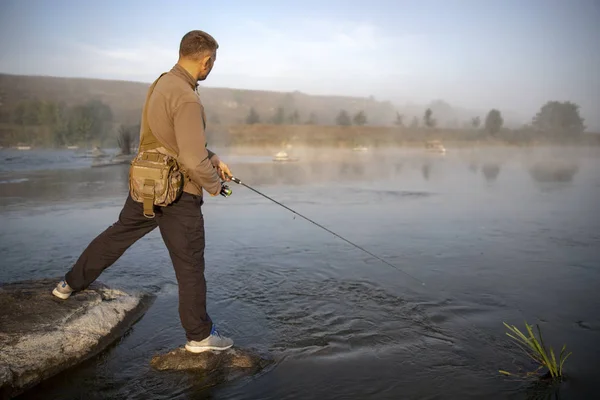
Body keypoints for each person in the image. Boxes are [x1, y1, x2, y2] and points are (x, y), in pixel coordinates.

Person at [52, 30, 234, 353]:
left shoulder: (162, 85)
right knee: (190, 264)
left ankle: (69, 283)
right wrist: (215, 185)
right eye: (213, 62)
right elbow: (190, 159)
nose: (212, 67)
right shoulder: (189, 98)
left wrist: (213, 157)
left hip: (146, 185)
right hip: (178, 195)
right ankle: (199, 336)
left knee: (117, 235)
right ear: (205, 61)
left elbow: (170, 141)